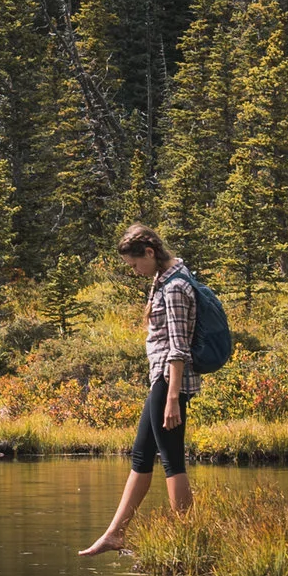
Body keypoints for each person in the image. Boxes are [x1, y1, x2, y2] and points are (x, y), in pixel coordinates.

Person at [78, 223, 198, 555]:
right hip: (161, 381)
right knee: (142, 456)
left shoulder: (174, 286)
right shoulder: (166, 278)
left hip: (168, 382)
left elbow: (178, 348)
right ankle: (115, 533)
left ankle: (188, 539)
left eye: (134, 264)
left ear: (149, 252)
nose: (134, 271)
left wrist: (172, 397)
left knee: (172, 459)